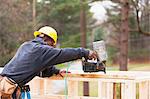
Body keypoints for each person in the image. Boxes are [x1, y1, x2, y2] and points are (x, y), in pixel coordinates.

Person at [0, 26, 98, 99]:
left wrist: (55, 71)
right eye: (52, 45)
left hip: (4, 83)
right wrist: (84, 52)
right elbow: (63, 54)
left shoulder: (26, 46)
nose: (52, 47)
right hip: (6, 89)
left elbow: (37, 69)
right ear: (49, 39)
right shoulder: (41, 49)